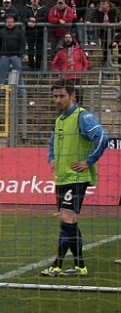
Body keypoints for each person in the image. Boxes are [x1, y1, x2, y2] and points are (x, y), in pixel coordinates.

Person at [40, 81, 109, 278]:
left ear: (72, 96)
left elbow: (102, 137)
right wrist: (51, 158)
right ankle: (80, 265)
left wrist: (88, 161)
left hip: (76, 177)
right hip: (62, 177)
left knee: (65, 218)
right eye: (55, 96)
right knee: (69, 221)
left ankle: (57, 265)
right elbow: (52, 142)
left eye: (62, 96)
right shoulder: (60, 120)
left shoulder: (82, 116)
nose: (57, 100)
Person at [51, 32, 89, 102]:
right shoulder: (61, 51)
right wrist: (58, 72)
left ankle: (79, 105)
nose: (68, 39)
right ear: (64, 39)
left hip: (77, 75)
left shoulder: (79, 50)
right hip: (66, 76)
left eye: (69, 37)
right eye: (66, 37)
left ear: (72, 38)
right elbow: (54, 63)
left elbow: (85, 61)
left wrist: (84, 70)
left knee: (79, 92)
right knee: (66, 93)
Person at [0, 15, 26, 99]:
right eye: (8, 22)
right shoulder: (1, 32)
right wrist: (0, 54)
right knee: (2, 74)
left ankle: (21, 91)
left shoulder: (19, 32)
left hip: (15, 56)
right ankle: (0, 90)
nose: (9, 24)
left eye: (11, 22)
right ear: (6, 23)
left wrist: (19, 54)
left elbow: (22, 43)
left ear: (14, 23)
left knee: (19, 74)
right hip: (4, 56)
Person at [23, 0, 48, 71]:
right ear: (30, 0)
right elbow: (23, 17)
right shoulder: (26, 8)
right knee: (30, 49)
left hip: (40, 32)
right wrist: (28, 22)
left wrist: (36, 20)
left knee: (39, 50)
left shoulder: (43, 8)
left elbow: (45, 18)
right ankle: (31, 66)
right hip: (29, 32)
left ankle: (38, 66)